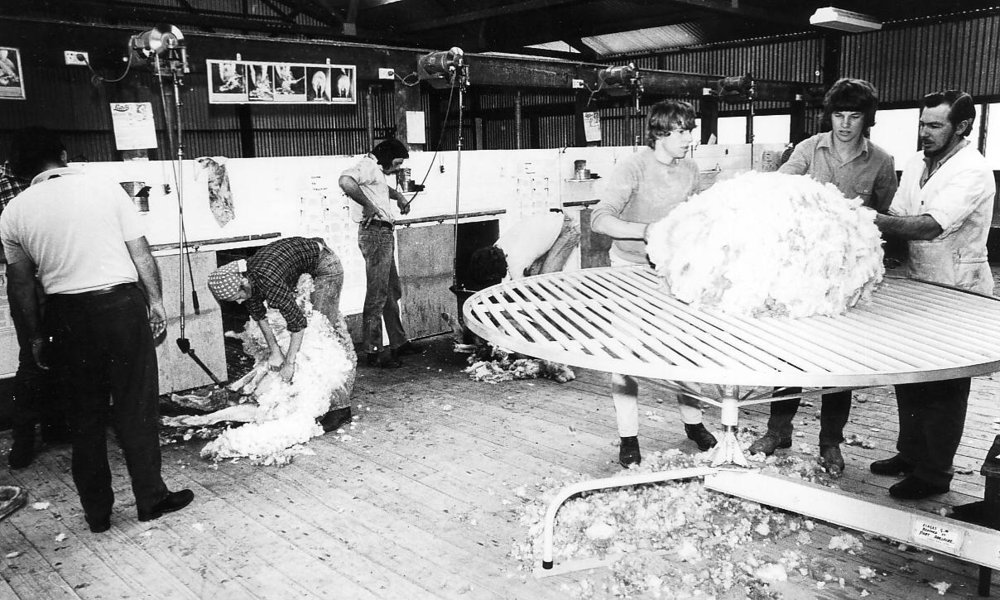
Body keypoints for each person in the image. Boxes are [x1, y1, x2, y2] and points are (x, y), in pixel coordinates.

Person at [0, 129, 193, 532]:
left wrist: (34, 337)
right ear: (64, 155)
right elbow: (140, 251)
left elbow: (19, 286)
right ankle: (151, 500)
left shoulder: (14, 212)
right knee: (135, 407)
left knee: (83, 418)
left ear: (19, 169)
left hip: (65, 316)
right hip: (120, 308)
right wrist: (155, 302)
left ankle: (98, 514)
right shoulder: (104, 190)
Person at [747, 78, 898, 478]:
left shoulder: (881, 161)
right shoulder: (808, 149)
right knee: (789, 356)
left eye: (854, 116)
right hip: (799, 272)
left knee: (840, 364)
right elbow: (781, 187)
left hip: (846, 280)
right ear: (829, 115)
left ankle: (830, 442)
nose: (845, 124)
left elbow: (881, 220)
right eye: (838, 114)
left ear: (868, 119)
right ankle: (778, 431)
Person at [870, 90, 995, 500]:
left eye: (934, 125)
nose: (924, 132)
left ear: (961, 127)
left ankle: (935, 473)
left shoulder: (972, 170)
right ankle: (910, 454)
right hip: (921, 281)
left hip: (958, 284)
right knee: (910, 376)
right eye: (922, 123)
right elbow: (902, 213)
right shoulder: (917, 163)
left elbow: (928, 226)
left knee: (945, 386)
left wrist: (868, 218)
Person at [590, 100, 718, 467]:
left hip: (673, 272)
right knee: (626, 354)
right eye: (681, 131)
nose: (688, 138)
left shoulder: (690, 169)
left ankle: (693, 424)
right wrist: (647, 231)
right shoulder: (633, 166)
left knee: (684, 349)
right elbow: (601, 218)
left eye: (690, 130)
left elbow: (693, 216)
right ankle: (628, 436)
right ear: (660, 132)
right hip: (629, 269)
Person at [207, 236, 357, 432]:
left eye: (238, 296)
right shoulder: (250, 281)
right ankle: (317, 397)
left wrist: (289, 363)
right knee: (312, 335)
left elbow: (298, 323)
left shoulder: (267, 279)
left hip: (325, 268)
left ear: (243, 284)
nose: (238, 302)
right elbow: (260, 317)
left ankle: (340, 409)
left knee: (321, 337)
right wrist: (275, 352)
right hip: (305, 265)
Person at [1, 128, 70, 470]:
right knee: (34, 357)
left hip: (46, 277)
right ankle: (25, 439)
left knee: (53, 354)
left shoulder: (31, 183)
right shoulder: (15, 186)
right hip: (32, 280)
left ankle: (53, 429)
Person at [338, 138, 420, 368]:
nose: (397, 168)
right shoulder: (368, 165)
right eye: (397, 162)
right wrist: (367, 205)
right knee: (377, 294)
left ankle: (398, 341)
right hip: (374, 234)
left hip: (384, 234)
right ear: (387, 155)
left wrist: (400, 196)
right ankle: (374, 350)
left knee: (391, 290)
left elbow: (380, 188)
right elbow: (345, 181)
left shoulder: (375, 171)